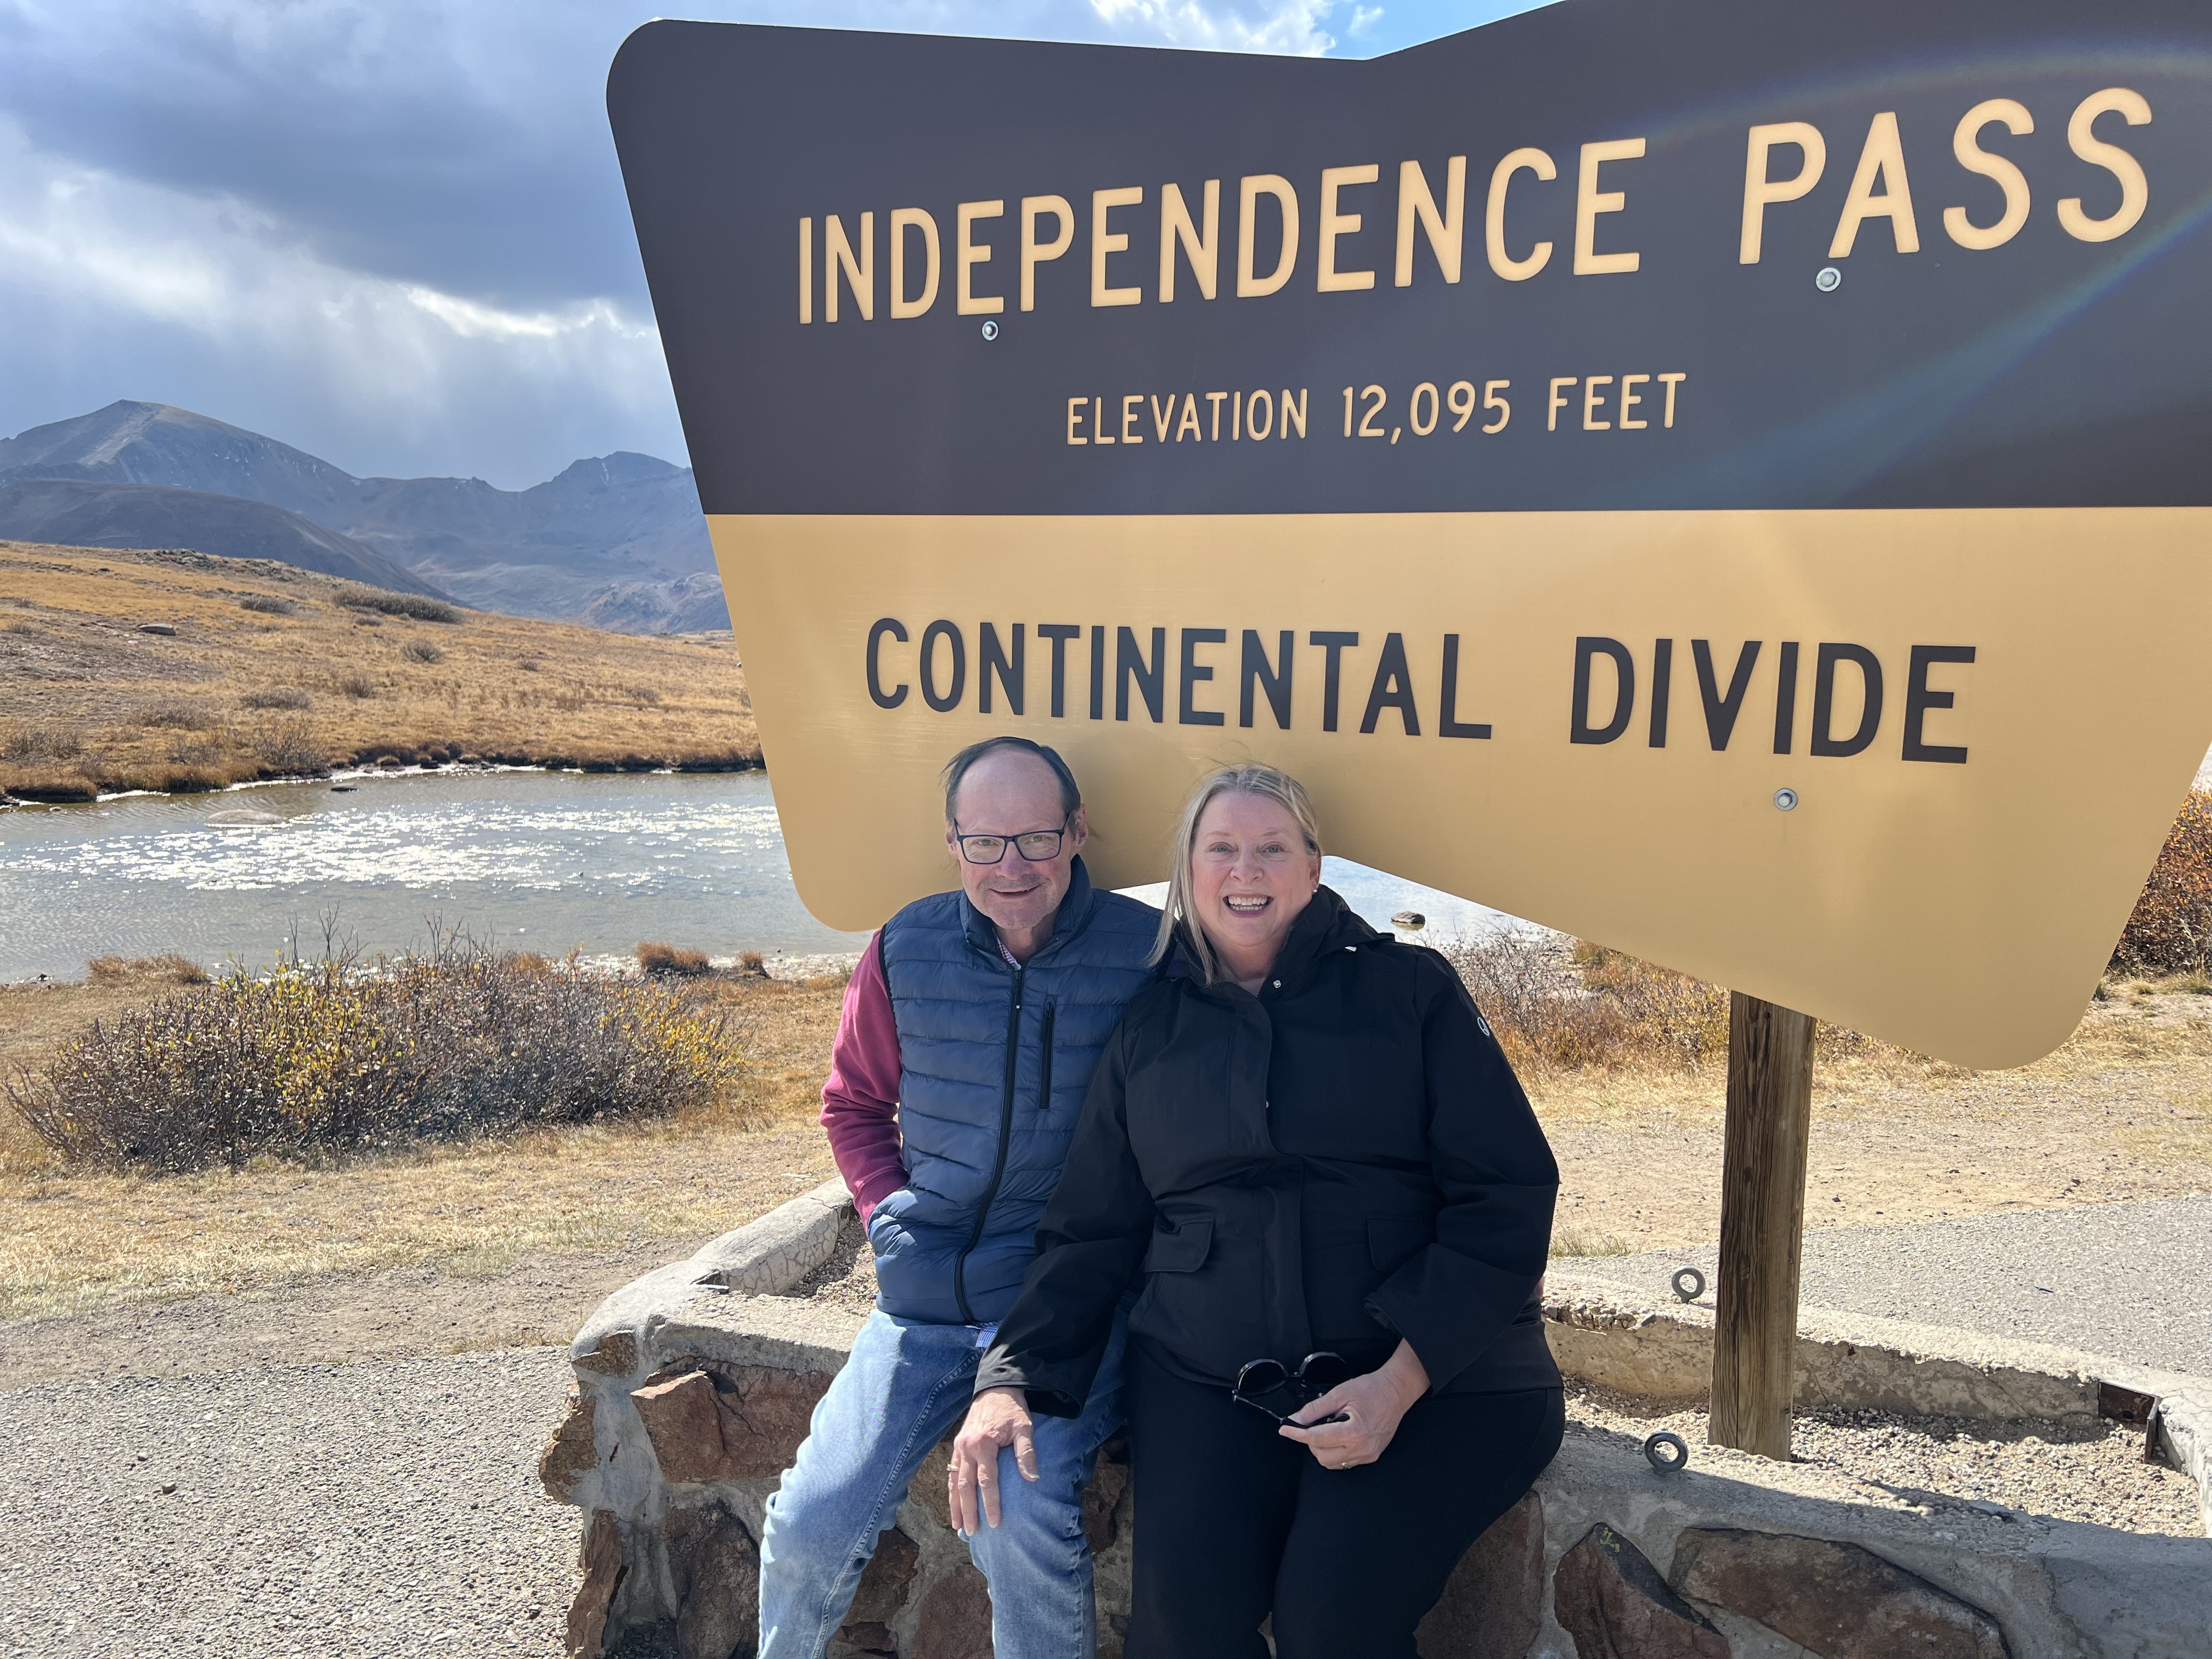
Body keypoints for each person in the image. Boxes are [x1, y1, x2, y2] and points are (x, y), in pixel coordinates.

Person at [949, 762, 1562, 1659]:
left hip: (1435, 1379)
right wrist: (1008, 1378)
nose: (1247, 872)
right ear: (1187, 873)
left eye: (1272, 849)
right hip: (1212, 1381)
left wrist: (1399, 1384)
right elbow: (1092, 1229)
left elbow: (1508, 1193)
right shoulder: (1149, 1030)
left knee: (1330, 1627)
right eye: (1222, 849)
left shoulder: (1411, 994)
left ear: (1314, 869)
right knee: (1179, 1636)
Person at [756, 736, 1160, 1659]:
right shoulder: (906, 945)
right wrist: (889, 1217)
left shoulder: (1150, 958)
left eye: (1035, 838)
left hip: (1065, 1310)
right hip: (921, 1306)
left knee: (1009, 1513)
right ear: (953, 842)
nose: (1011, 867)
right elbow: (853, 1104)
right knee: (812, 1518)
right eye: (985, 843)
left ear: (1079, 832)